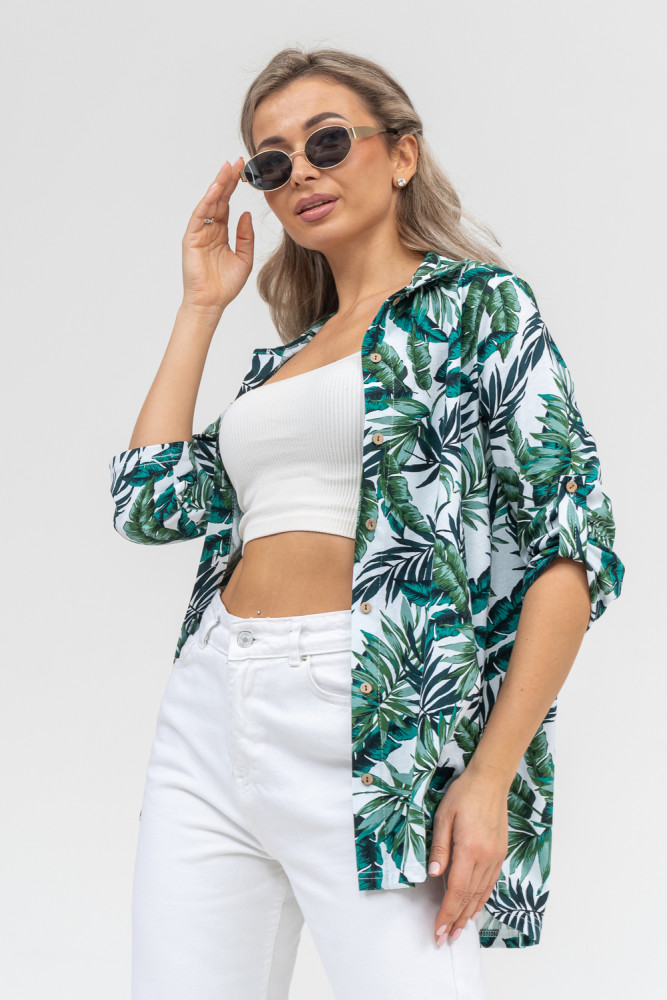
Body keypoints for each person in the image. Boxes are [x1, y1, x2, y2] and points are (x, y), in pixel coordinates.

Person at [109, 46, 625, 1000]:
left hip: (378, 712)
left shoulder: (476, 309)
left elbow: (572, 551)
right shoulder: (281, 365)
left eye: (328, 142)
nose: (301, 173)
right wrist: (200, 305)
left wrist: (488, 777)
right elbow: (147, 503)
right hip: (210, 707)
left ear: (401, 154)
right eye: (272, 162)